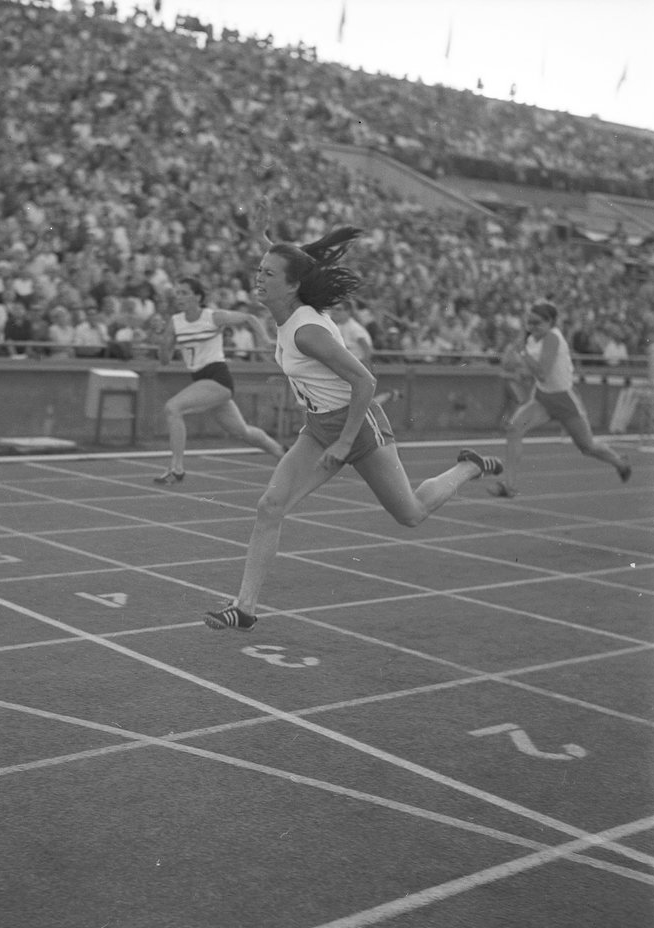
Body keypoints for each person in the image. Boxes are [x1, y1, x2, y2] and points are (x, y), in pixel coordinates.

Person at [203, 225, 503, 631]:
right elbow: (288, 258)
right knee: (269, 507)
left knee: (410, 514)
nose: (259, 277)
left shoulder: (306, 332)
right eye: (259, 269)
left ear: (292, 286)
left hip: (358, 427)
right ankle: (246, 607)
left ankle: (467, 468)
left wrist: (345, 442)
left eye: (268, 274)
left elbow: (365, 382)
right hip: (318, 428)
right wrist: (261, 231)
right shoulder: (289, 309)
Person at [488, 300, 631, 498]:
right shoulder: (531, 340)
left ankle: (619, 462)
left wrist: (521, 353)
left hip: (565, 400)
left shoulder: (554, 338)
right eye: (529, 322)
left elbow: (543, 372)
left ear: (551, 323)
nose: (532, 327)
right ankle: (509, 485)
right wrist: (517, 362)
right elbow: (526, 368)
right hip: (543, 398)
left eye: (537, 323)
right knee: (514, 428)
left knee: (587, 447)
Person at [154, 276, 286, 485]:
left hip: (218, 378)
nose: (179, 297)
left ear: (197, 297)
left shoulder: (213, 317)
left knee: (173, 408)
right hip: (201, 381)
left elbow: (249, 318)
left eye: (184, 293)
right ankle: (283, 454)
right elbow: (164, 360)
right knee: (242, 431)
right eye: (177, 293)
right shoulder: (175, 322)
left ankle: (177, 467)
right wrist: (162, 338)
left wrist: (265, 338)